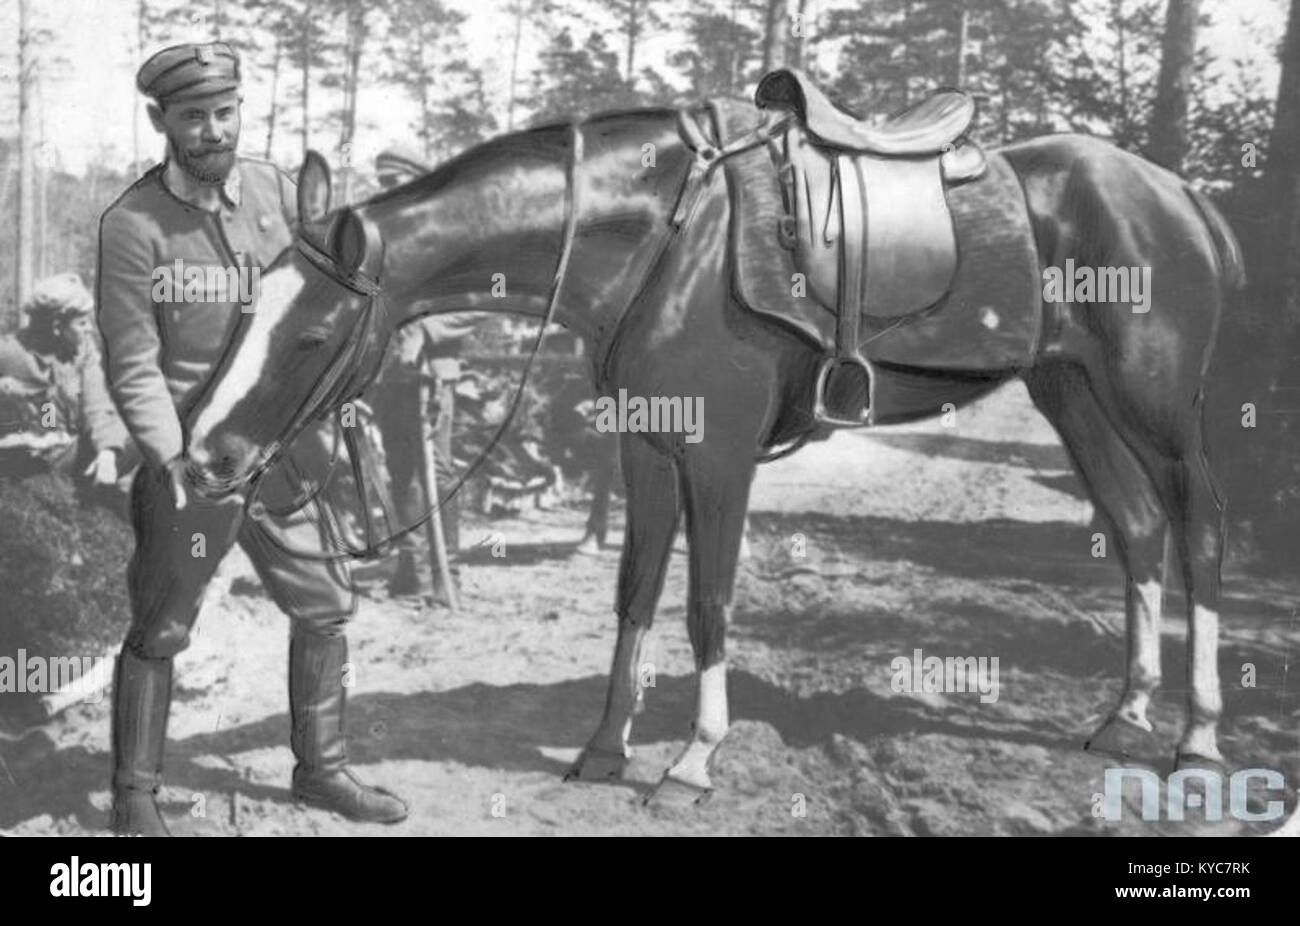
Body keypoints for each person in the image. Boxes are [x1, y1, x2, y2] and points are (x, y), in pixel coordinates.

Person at [96, 42, 407, 835]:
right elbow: (132, 362)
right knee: (163, 625)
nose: (212, 130)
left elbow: (320, 299)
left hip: (285, 453)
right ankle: (136, 795)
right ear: (161, 121)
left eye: (224, 112)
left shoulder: (273, 188)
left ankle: (323, 770)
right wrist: (167, 458)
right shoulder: (132, 226)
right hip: (196, 463)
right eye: (193, 117)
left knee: (327, 604)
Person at [370, 148, 479, 598]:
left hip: (434, 374)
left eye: (396, 182)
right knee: (400, 471)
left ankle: (445, 573)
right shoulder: (380, 242)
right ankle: (410, 570)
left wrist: (427, 332)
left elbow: (479, 303)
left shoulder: (450, 239)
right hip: (390, 376)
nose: (388, 192)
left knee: (436, 469)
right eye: (383, 183)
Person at [0, 273, 134, 498]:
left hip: (74, 451)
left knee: (144, 427)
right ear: (56, 325)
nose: (89, 328)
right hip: (25, 461)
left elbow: (97, 403)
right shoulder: (9, 353)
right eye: (82, 322)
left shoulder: (83, 350)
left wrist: (108, 452)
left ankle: (100, 487)